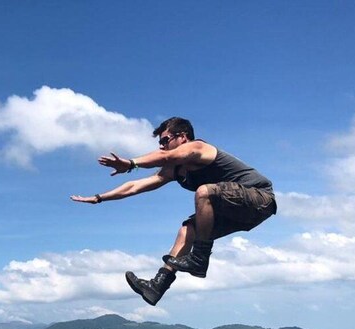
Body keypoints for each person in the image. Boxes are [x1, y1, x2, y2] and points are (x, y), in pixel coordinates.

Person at [71, 117, 276, 306]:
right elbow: (136, 186)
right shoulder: (175, 170)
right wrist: (99, 198)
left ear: (183, 137)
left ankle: (199, 259)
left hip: (260, 198)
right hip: (240, 213)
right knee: (187, 230)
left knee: (205, 192)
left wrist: (132, 163)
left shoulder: (198, 148)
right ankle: (158, 285)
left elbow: (165, 157)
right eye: (160, 143)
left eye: (165, 140)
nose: (162, 146)